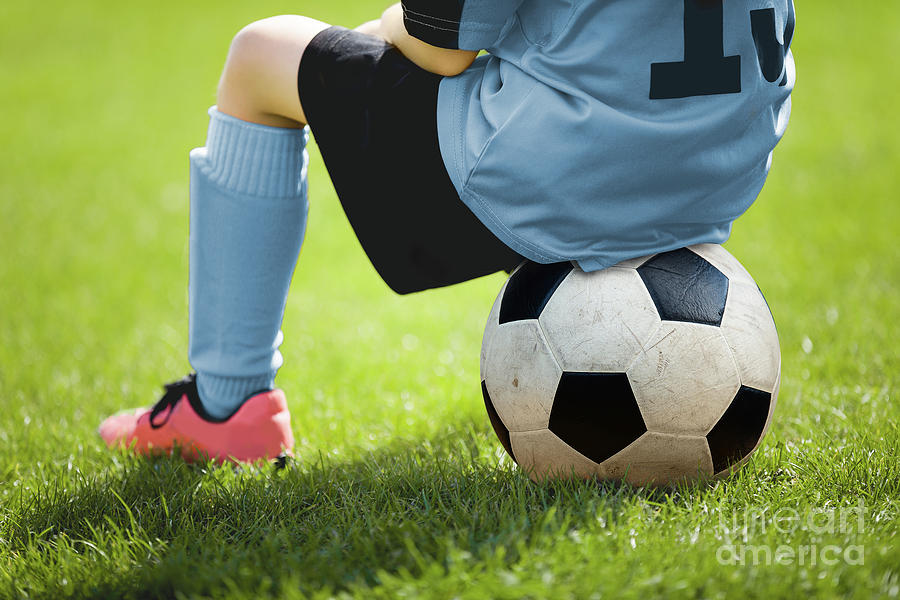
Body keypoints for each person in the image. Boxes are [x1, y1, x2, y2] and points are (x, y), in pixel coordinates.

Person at [99, 0, 796, 462]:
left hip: (569, 178)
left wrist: (377, 31)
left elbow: (439, 49)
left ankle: (225, 406)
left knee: (259, 54)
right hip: (715, 176)